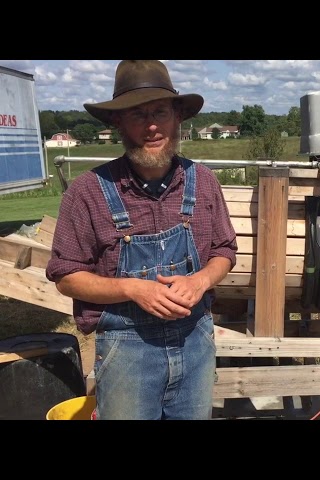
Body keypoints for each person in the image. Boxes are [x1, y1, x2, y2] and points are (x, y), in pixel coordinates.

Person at [46, 60, 237, 420]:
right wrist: (135, 290)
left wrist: (200, 280)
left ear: (177, 116)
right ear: (117, 122)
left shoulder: (204, 182)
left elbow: (224, 251)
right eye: (137, 115)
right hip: (127, 351)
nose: (151, 126)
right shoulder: (88, 192)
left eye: (160, 112)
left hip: (195, 341)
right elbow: (66, 275)